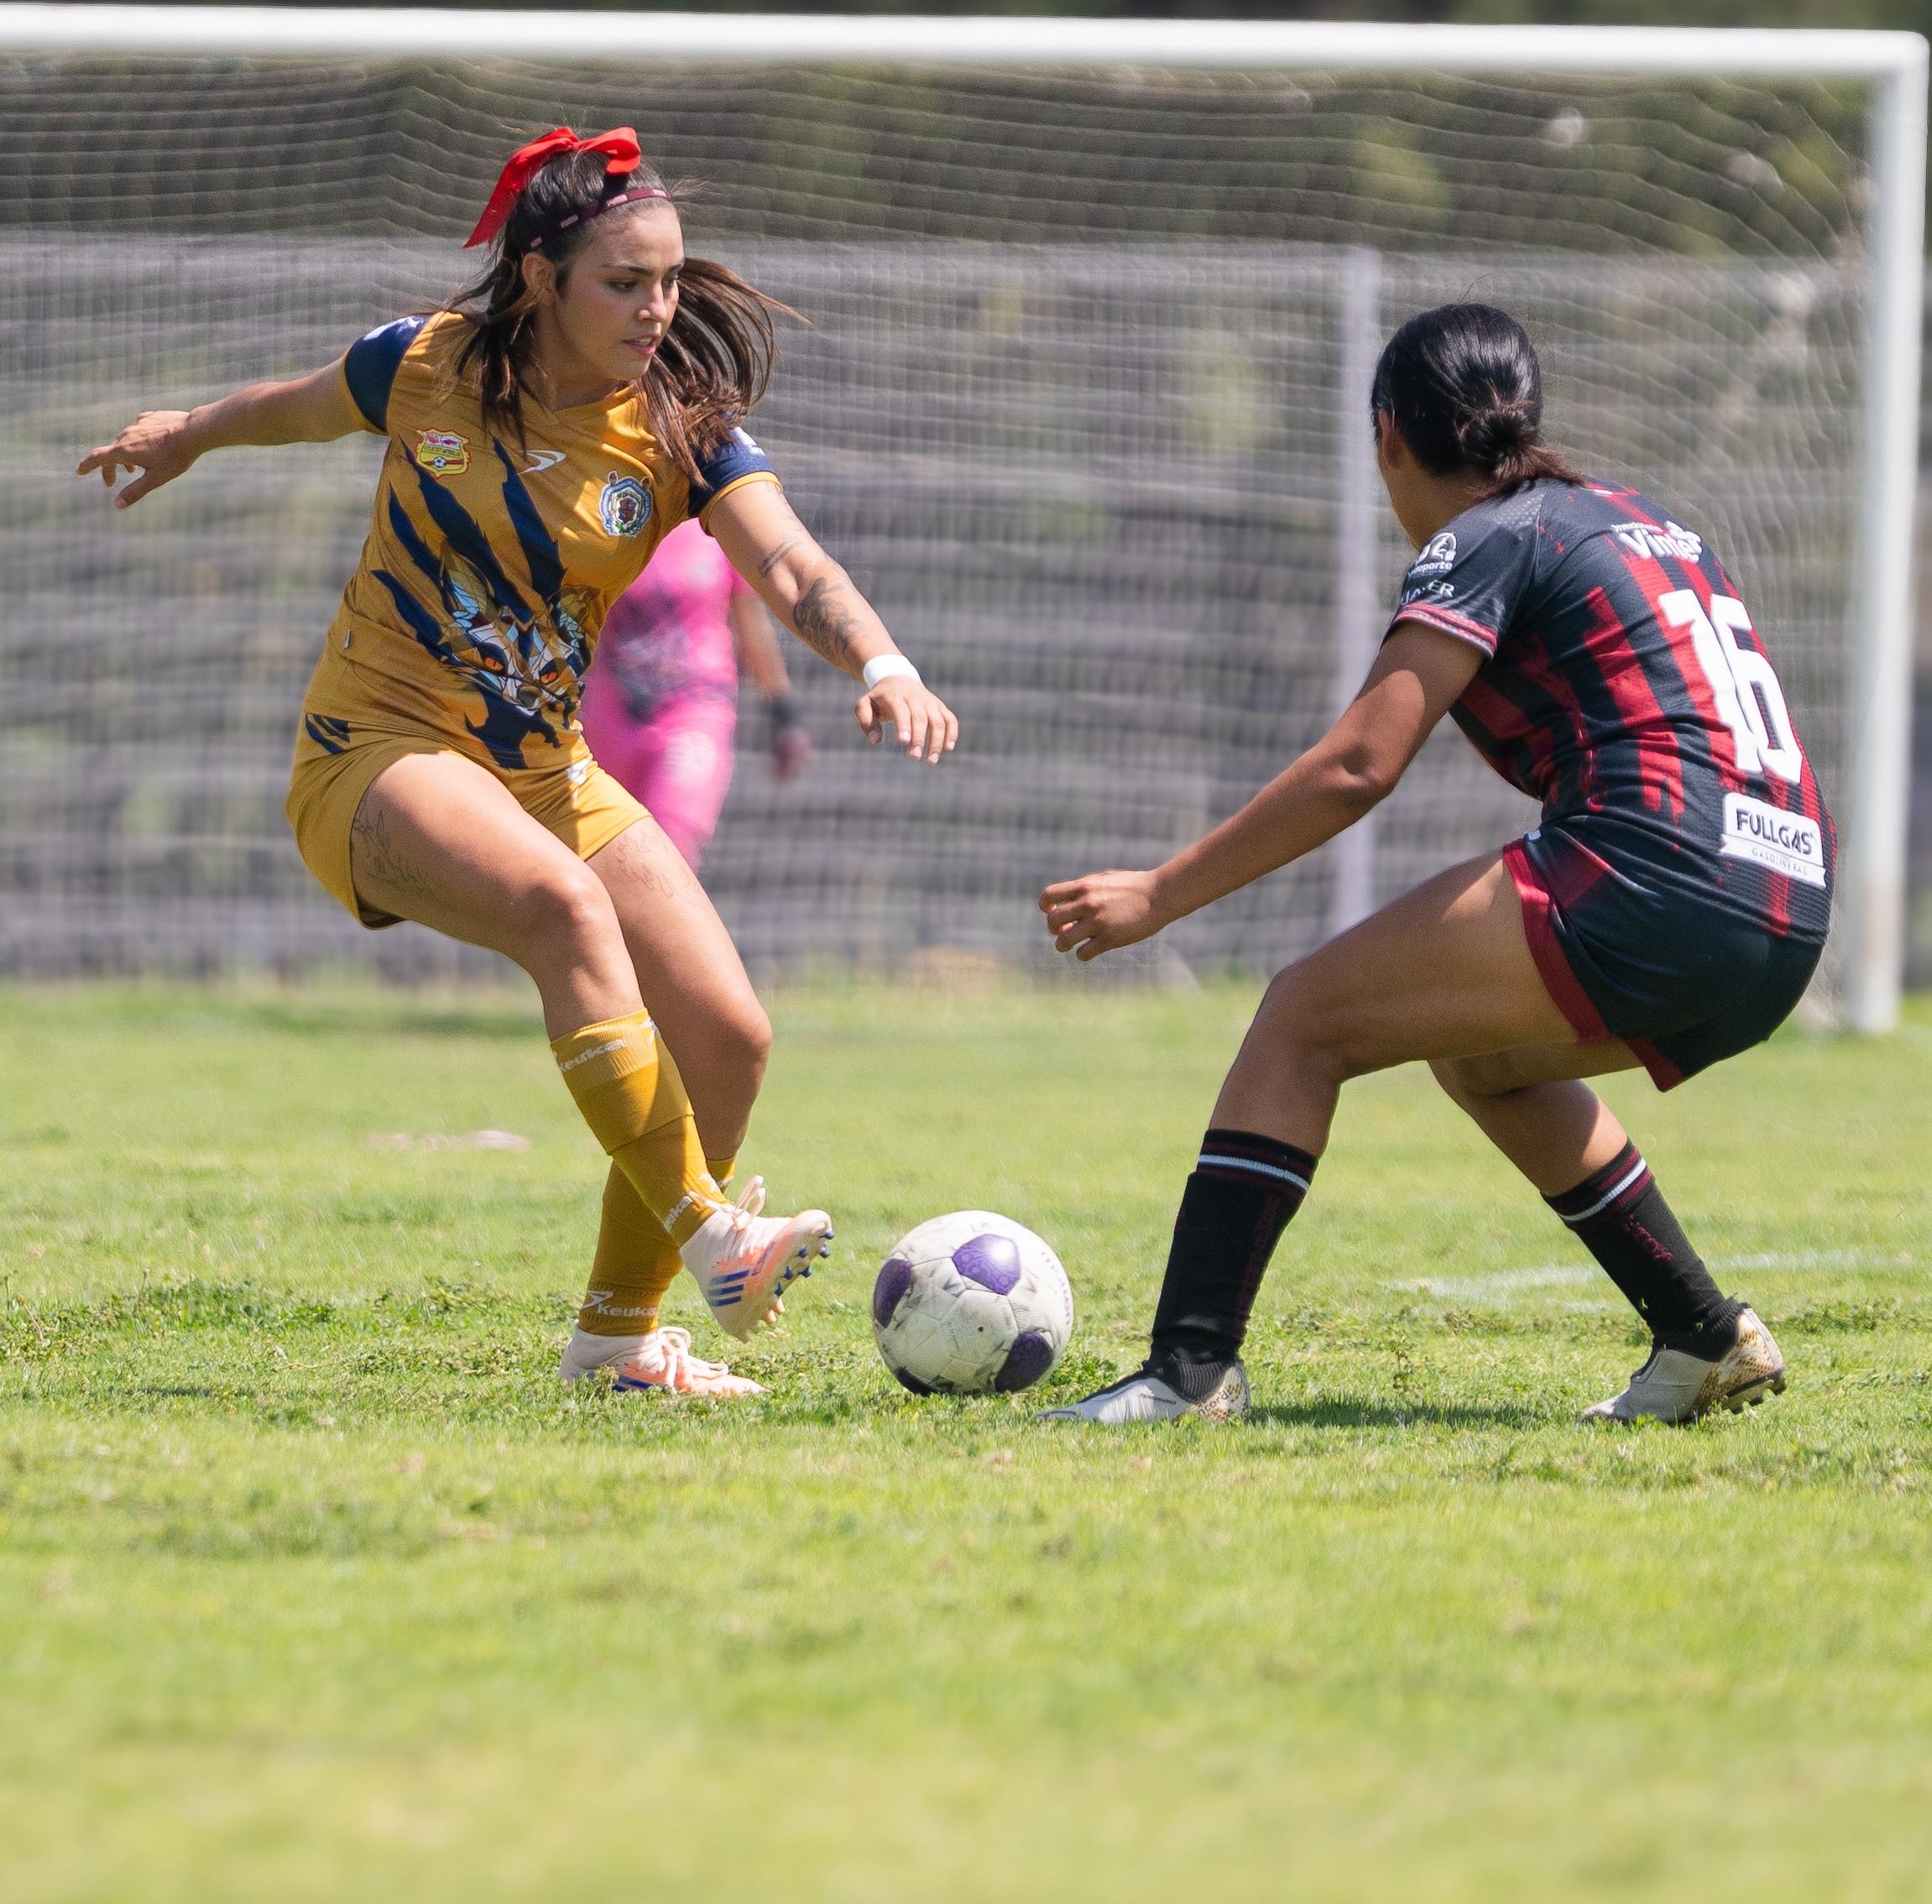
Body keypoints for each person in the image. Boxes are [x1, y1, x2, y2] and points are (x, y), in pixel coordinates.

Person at [79, 125, 958, 1401]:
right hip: (368, 760)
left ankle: (613, 1346)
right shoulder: (424, 362)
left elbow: (790, 566)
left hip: (545, 775)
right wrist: (188, 433)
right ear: (541, 277)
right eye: (623, 282)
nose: (656, 309)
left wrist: (881, 663)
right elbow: (294, 405)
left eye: (667, 282)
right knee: (563, 906)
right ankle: (715, 1235)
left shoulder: (678, 429)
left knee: (727, 1036)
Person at [1039, 302, 1830, 1428]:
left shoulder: (1483, 534)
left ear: (1387, 438)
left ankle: (1188, 1371)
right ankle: (1702, 1336)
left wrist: (1159, 893)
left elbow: (1360, 764)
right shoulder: (1641, 518)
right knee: (1481, 1058)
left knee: (1301, 1016)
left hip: (1662, 875)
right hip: (1788, 903)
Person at [579, 514, 812, 872]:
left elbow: (751, 624)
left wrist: (784, 715)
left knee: (668, 852)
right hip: (610, 722)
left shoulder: (717, 523)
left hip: (694, 714)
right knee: (596, 862)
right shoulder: (604, 521)